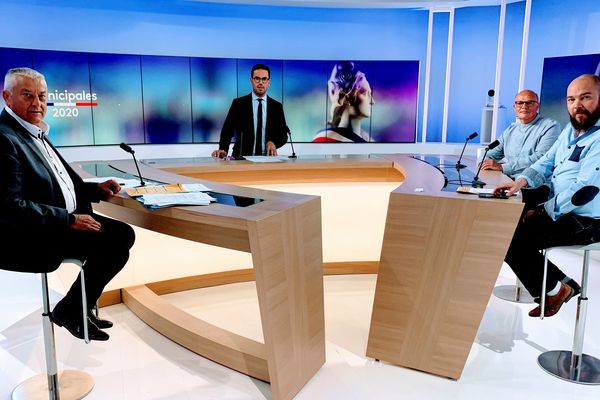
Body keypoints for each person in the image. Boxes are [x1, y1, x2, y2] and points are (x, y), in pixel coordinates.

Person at [0, 67, 135, 341]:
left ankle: (77, 308)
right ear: (6, 96)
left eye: (41, 96)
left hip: (58, 220)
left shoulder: (33, 131)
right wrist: (69, 219)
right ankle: (71, 310)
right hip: (30, 233)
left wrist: (94, 189)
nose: (37, 104)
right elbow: (8, 205)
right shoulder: (4, 137)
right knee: (115, 245)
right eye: (27, 95)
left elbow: (54, 184)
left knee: (123, 235)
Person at [494, 74, 600, 318]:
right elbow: (546, 162)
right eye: (571, 99)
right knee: (506, 225)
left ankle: (555, 289)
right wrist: (517, 184)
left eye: (585, 97)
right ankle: (561, 285)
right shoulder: (569, 131)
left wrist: (543, 211)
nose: (577, 105)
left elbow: (584, 190)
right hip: (560, 207)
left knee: (510, 238)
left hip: (587, 220)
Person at [212, 64, 288, 158]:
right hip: (241, 159)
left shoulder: (276, 107)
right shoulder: (238, 104)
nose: (261, 82)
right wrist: (223, 150)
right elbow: (227, 131)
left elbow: (283, 135)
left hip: (267, 160)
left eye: (264, 79)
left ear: (269, 82)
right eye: (257, 78)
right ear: (251, 81)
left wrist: (273, 142)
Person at [481, 90, 560, 179]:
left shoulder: (550, 126)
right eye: (519, 103)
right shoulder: (511, 130)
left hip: (532, 184)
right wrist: (483, 163)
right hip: (508, 180)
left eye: (529, 103)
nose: (524, 106)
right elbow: (489, 154)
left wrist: (502, 167)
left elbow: (541, 158)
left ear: (537, 106)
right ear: (514, 107)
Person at [312, 61, 375, 143]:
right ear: (345, 97)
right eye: (364, 93)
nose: (372, 101)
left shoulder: (366, 140)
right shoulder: (327, 140)